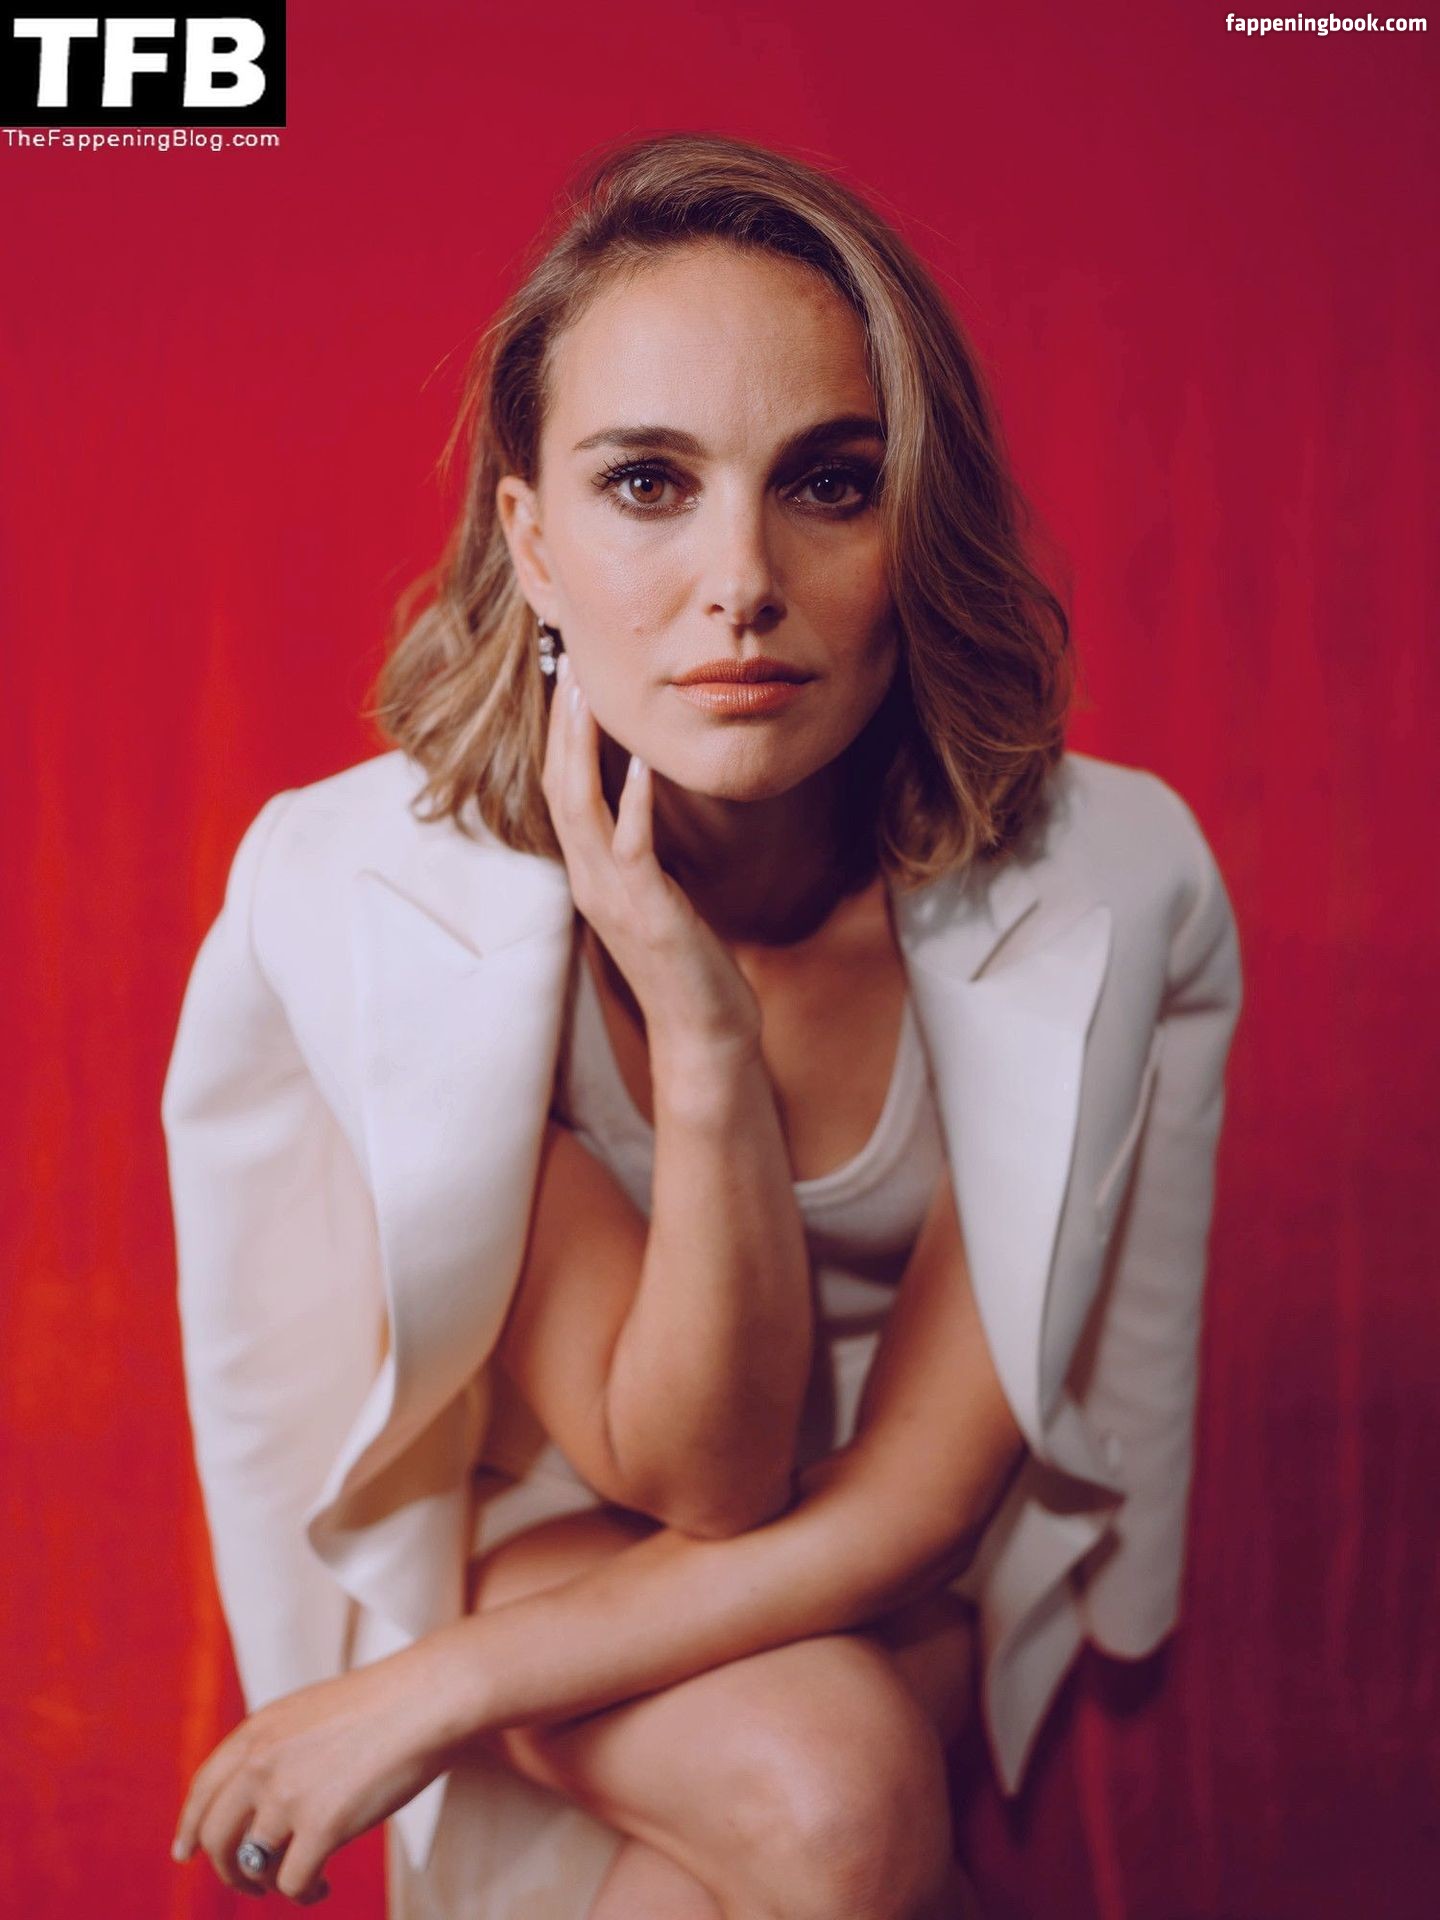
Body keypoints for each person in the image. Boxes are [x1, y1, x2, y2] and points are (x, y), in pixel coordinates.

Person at [163, 132, 1244, 1919]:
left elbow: (914, 1499)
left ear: (917, 526)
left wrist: (426, 1697)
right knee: (834, 1797)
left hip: (890, 1569)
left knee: (827, 1807)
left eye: (830, 483)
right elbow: (698, 1467)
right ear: (532, 541)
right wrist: (700, 1024)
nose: (741, 577)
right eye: (648, 484)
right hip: (549, 1527)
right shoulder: (384, 908)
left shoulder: (1101, 881)